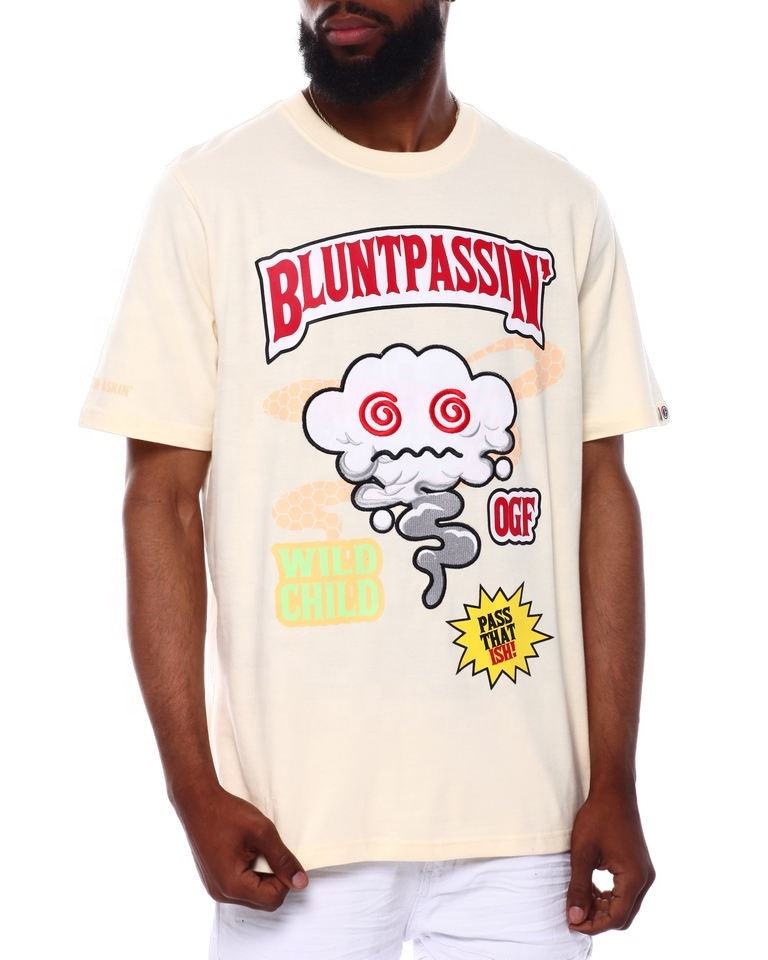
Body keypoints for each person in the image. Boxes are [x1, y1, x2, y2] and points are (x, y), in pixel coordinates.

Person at [80, 1, 668, 957]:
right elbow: (161, 499)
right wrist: (192, 787)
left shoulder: (558, 202)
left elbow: (602, 491)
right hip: (294, 830)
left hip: (528, 825)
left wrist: (616, 778)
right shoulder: (211, 193)